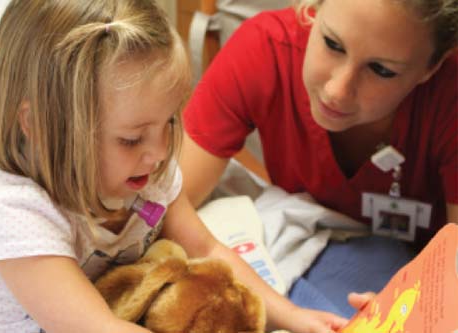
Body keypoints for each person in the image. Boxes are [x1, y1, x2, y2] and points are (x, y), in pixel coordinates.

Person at [0, 1, 364, 332]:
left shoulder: (147, 169)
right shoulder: (15, 217)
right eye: (131, 139)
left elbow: (206, 249)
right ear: (41, 128)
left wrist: (292, 317)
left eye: (169, 122)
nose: (159, 153)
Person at [178, 0, 457, 320]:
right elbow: (165, 206)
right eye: (332, 44)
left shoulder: (450, 96)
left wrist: (414, 311)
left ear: (431, 68)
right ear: (311, 8)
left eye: (381, 70)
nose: (337, 91)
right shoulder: (265, 49)